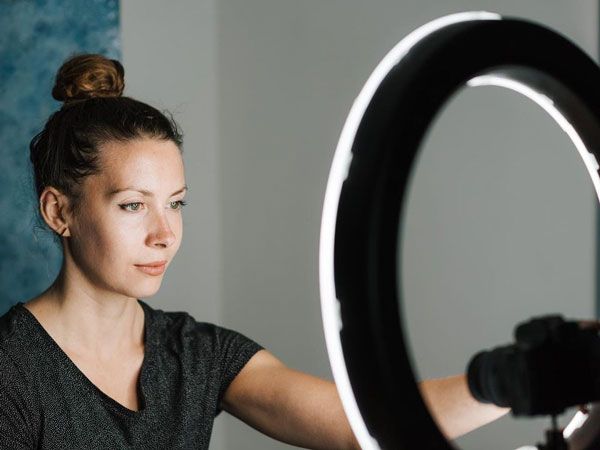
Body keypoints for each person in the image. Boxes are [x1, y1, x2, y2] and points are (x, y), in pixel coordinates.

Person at [0, 53, 509, 449]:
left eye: (176, 203)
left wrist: (512, 378)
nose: (165, 233)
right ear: (59, 211)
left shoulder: (195, 354)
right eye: (133, 205)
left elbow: (358, 427)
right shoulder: (11, 368)